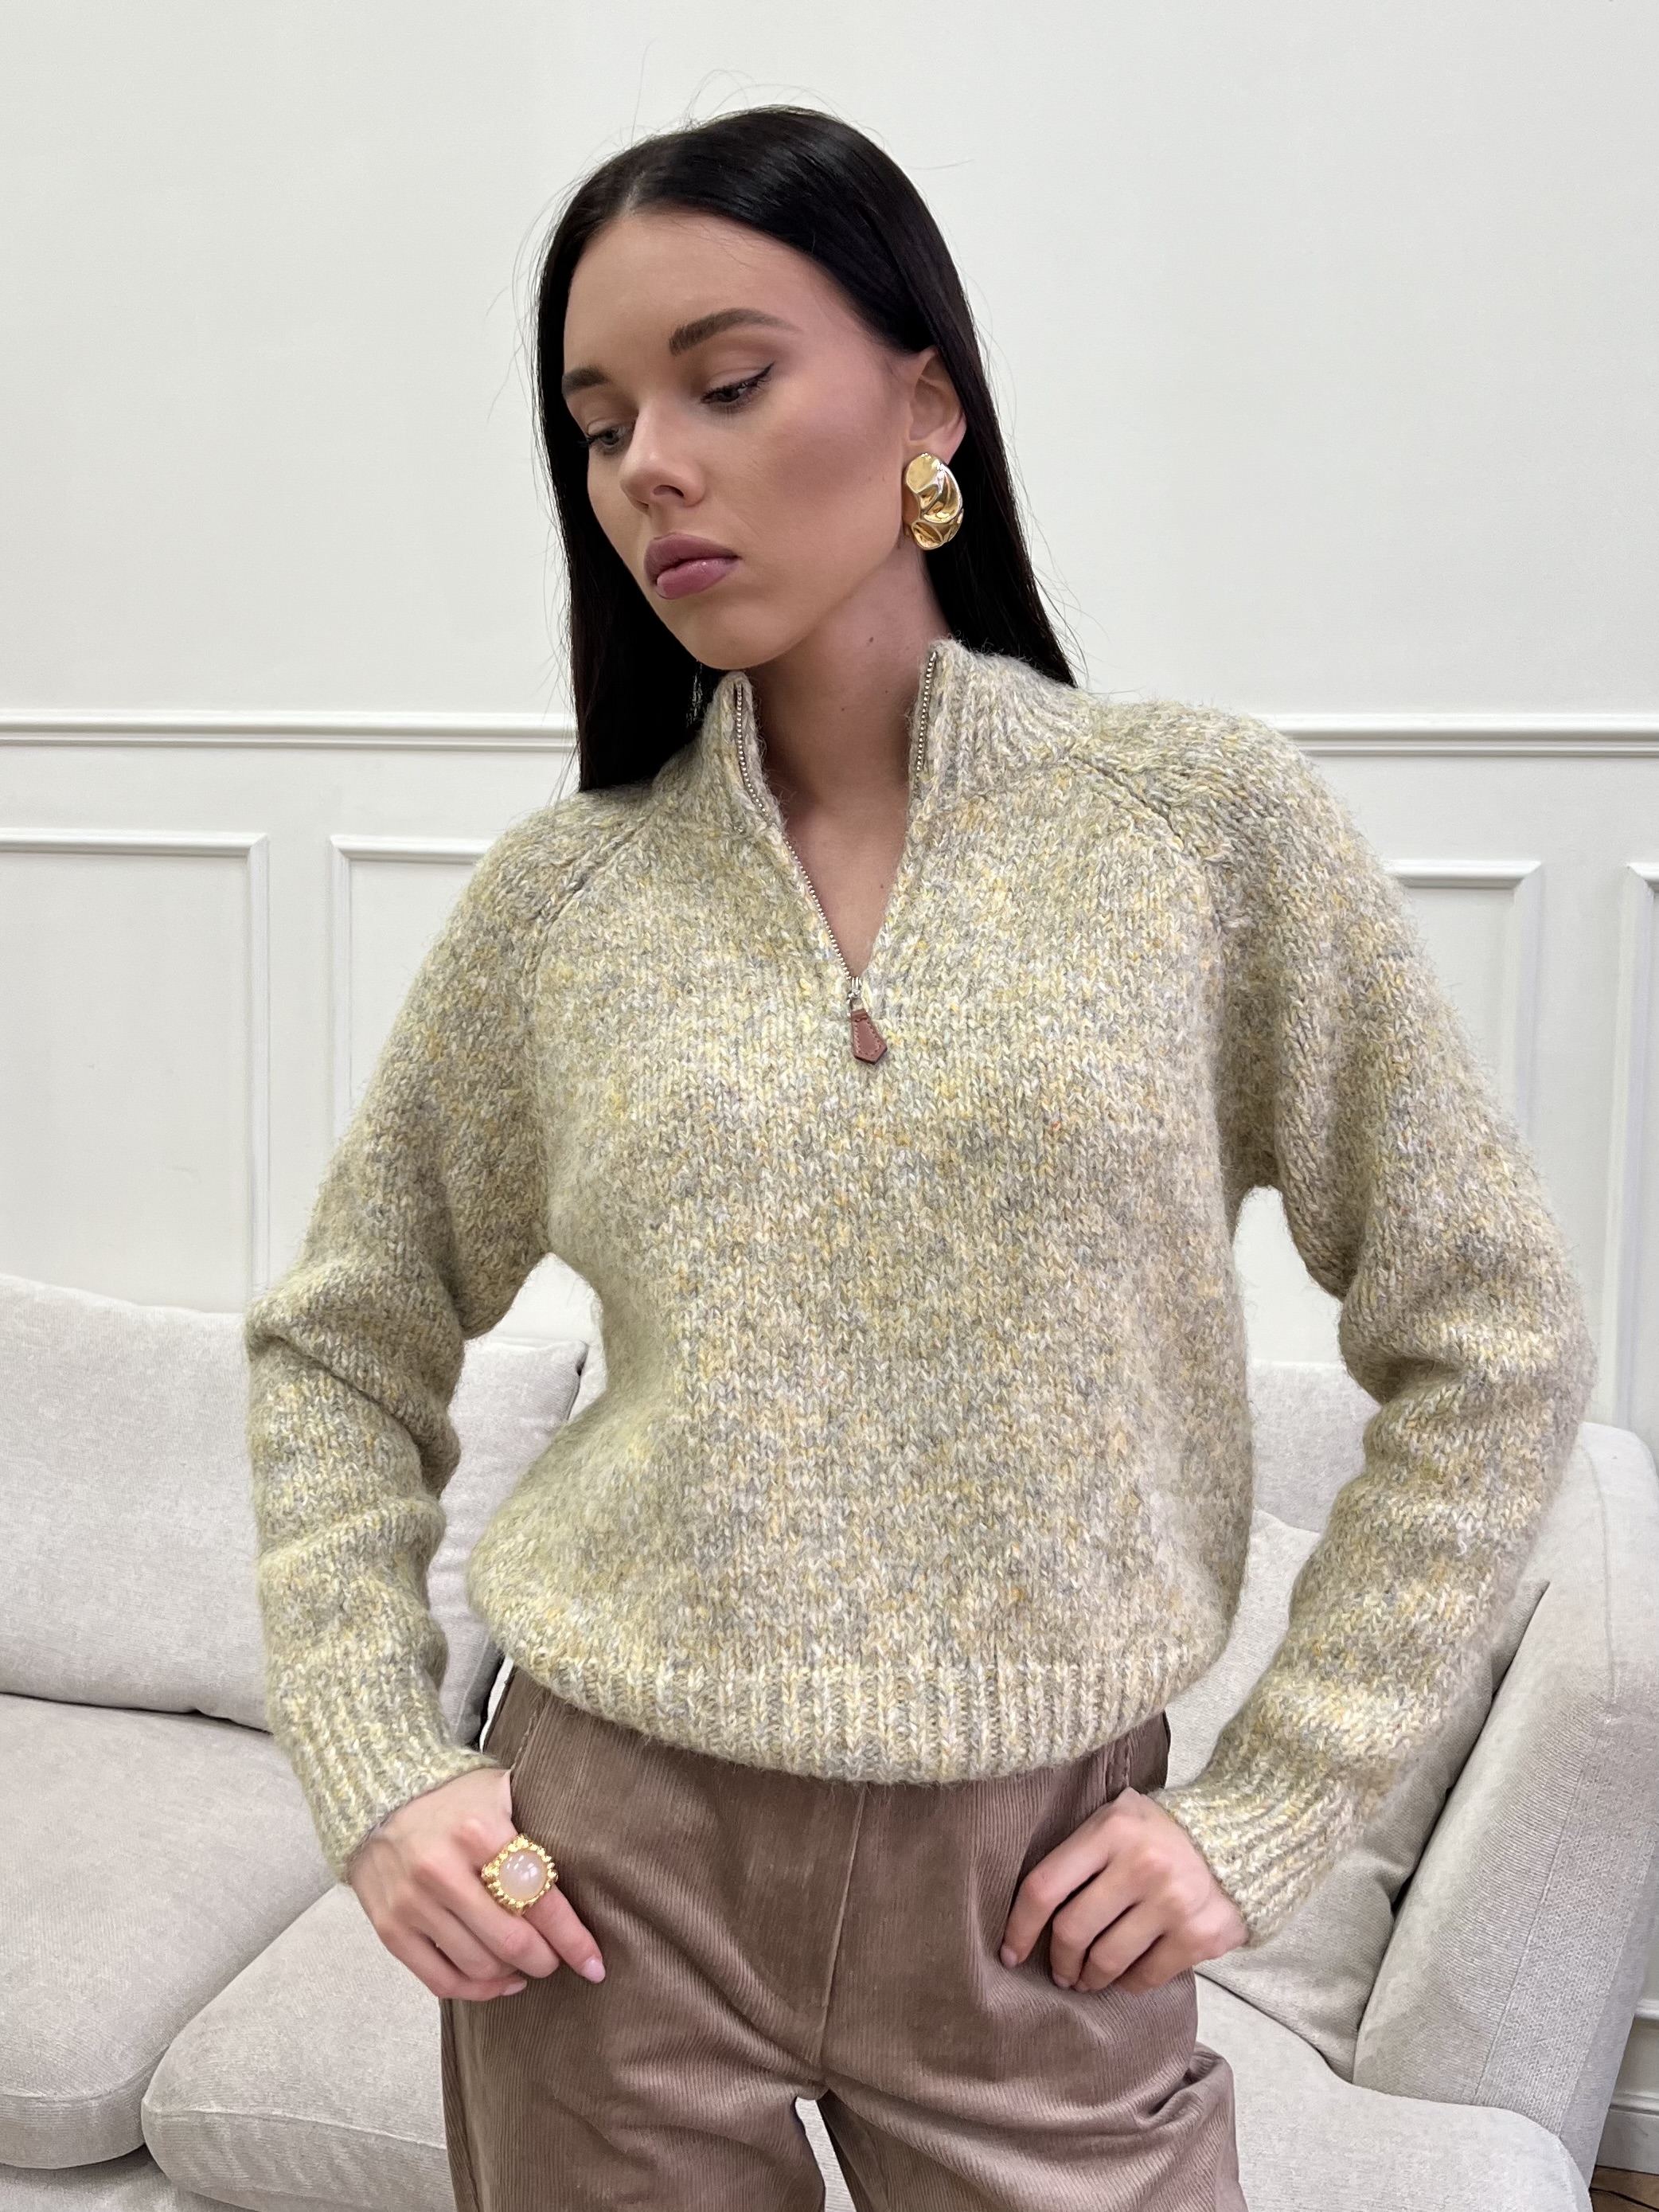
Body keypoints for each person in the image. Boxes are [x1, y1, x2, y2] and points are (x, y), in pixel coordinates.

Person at [244, 104, 1597, 2212]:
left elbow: (1492, 1331)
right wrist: (371, 1754)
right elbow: (341, 1340)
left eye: (725, 380)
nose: (649, 465)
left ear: (927, 403)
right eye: (597, 424)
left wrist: (1270, 1804)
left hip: (1032, 1896)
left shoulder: (1200, 833)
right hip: (600, 1873)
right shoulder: (564, 905)